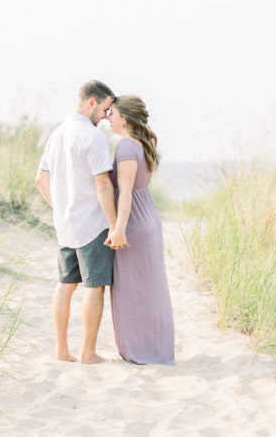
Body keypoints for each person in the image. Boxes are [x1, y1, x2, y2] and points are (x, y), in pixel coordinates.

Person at [35, 80, 117, 363]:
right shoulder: (93, 137)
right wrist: (115, 225)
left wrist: (60, 209)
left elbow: (40, 179)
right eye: (106, 109)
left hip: (65, 224)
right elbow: (103, 184)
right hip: (92, 224)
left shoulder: (56, 134)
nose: (107, 117)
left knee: (65, 284)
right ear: (91, 102)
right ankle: (88, 352)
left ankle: (61, 350)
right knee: (94, 286)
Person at [105, 95, 175, 365]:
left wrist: (119, 229)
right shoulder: (141, 144)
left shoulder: (125, 147)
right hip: (149, 219)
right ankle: (157, 348)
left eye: (112, 112)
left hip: (134, 222)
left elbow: (125, 193)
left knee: (133, 289)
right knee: (152, 288)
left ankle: (142, 351)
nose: (108, 117)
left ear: (124, 116)